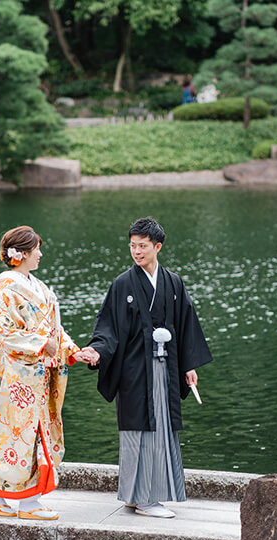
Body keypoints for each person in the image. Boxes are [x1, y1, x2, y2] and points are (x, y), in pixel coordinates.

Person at [76, 217, 211, 519]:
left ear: (157, 246)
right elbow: (108, 328)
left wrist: (188, 366)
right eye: (133, 246)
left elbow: (186, 325)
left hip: (165, 368)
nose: (136, 252)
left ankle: (145, 496)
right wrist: (97, 351)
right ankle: (142, 498)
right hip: (135, 371)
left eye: (142, 246)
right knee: (138, 429)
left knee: (161, 428)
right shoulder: (123, 284)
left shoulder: (173, 282)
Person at [0, 225, 84, 520]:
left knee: (19, 434)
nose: (40, 254)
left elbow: (54, 330)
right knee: (24, 434)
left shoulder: (35, 285)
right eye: (36, 249)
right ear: (22, 254)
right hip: (23, 375)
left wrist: (72, 350)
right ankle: (27, 502)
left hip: (38, 371)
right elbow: (6, 334)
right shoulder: (9, 289)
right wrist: (41, 344)